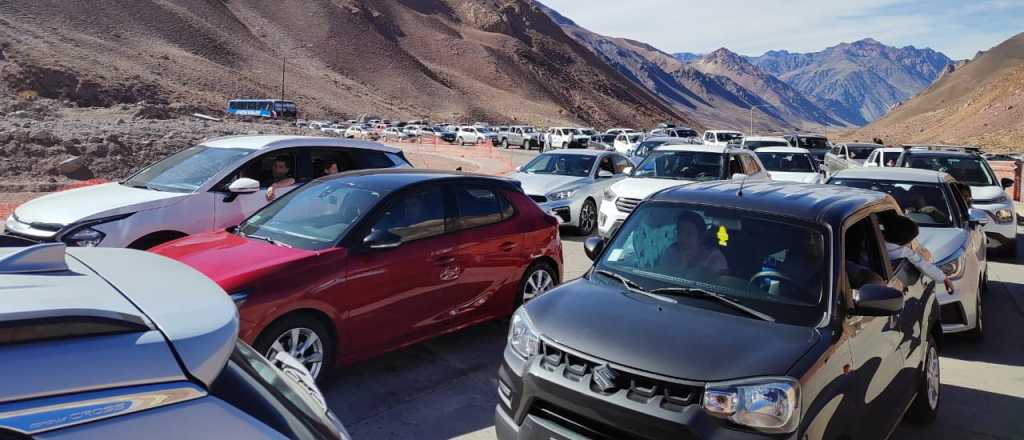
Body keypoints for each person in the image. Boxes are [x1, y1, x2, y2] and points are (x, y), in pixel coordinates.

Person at [880, 212, 954, 292]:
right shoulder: (903, 251)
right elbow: (923, 264)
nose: (910, 242)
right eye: (910, 240)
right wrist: (944, 278)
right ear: (902, 241)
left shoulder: (874, 235)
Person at [656, 211, 729, 278]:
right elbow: (661, 275)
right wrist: (681, 266)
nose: (682, 238)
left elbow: (718, 283)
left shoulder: (714, 257)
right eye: (679, 232)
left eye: (689, 234)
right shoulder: (671, 251)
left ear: (700, 237)